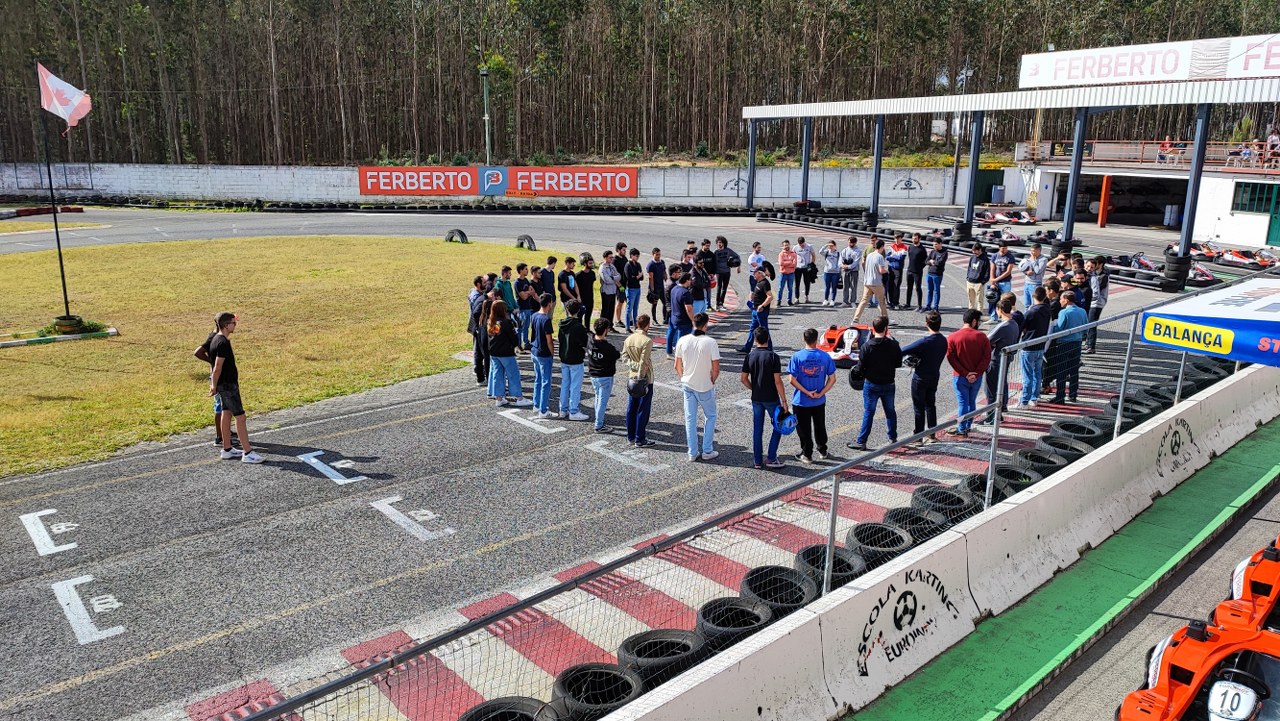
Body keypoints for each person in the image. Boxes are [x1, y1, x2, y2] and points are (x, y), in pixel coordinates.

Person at [207, 312, 263, 464]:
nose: (235, 325)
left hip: (223, 385)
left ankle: (227, 449)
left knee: (226, 414)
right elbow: (217, 367)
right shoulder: (223, 342)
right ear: (226, 325)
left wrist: (215, 384)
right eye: (233, 323)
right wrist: (213, 385)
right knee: (240, 417)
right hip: (228, 385)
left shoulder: (214, 339)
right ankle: (248, 452)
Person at [848, 316, 901, 450]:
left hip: (871, 384)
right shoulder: (894, 344)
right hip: (888, 383)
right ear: (885, 329)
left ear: (873, 329)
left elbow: (860, 367)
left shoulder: (866, 346)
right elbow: (898, 363)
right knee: (890, 411)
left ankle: (862, 441)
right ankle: (893, 438)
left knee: (869, 412)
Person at [675, 312, 721, 461]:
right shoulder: (710, 342)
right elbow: (716, 369)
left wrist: (683, 378)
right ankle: (707, 450)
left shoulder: (683, 340)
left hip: (687, 384)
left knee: (690, 419)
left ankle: (692, 452)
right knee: (711, 416)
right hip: (704, 385)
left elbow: (677, 365)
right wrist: (712, 380)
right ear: (706, 325)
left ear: (693, 323)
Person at [741, 327, 788, 469]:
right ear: (768, 339)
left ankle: (757, 460)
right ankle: (771, 457)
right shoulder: (773, 357)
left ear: (755, 340)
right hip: (772, 398)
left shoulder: (749, 356)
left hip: (756, 398)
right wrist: (784, 401)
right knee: (778, 426)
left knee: (757, 429)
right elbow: (777, 381)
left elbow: (743, 379)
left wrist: (753, 388)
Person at [788, 327, 837, 462]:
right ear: (817, 340)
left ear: (804, 339)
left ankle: (807, 454)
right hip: (819, 400)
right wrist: (821, 392)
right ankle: (822, 450)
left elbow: (792, 380)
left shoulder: (797, 357)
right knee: (820, 425)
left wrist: (806, 392)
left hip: (801, 400)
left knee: (803, 428)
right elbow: (832, 379)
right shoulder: (825, 356)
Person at [901, 310, 947, 443]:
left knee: (918, 407)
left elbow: (903, 350)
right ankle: (932, 432)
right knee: (931, 404)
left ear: (927, 324)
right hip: (934, 376)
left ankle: (918, 435)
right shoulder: (943, 340)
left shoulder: (924, 341)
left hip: (920, 378)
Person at [945, 309, 992, 437]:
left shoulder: (953, 337)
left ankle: (961, 428)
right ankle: (968, 426)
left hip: (960, 376)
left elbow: (951, 358)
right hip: (977, 377)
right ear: (974, 321)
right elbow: (987, 357)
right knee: (971, 402)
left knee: (962, 403)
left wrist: (965, 373)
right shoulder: (982, 337)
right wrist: (976, 373)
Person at [978, 293, 1020, 424]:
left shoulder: (1003, 326)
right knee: (1001, 387)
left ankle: (991, 417)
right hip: (1007, 359)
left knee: (990, 390)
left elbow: (987, 340)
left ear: (1000, 310)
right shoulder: (1014, 324)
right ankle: (999, 412)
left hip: (995, 361)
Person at [195, 324, 235, 447]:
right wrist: (212, 362)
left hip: (222, 377)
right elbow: (198, 352)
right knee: (220, 407)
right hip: (218, 378)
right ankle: (220, 437)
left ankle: (225, 431)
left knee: (225, 406)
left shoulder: (216, 337)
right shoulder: (214, 338)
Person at [487, 301, 533, 408]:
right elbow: (514, 340)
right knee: (513, 375)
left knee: (497, 375)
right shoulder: (507, 323)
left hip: (494, 353)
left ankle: (499, 398)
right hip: (506, 353)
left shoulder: (491, 322)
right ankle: (519, 398)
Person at [1049, 290, 1088, 404]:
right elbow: (1086, 326)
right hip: (1077, 343)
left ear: (1066, 300)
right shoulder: (1082, 311)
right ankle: (1073, 394)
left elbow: (1060, 328)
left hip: (1064, 343)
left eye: (1061, 298)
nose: (1060, 301)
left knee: (1061, 370)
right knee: (1074, 370)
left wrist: (1052, 327)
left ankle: (1060, 396)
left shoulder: (1063, 313)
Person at [623, 314, 656, 447]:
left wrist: (634, 366)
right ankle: (640, 438)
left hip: (631, 377)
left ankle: (630, 436)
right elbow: (643, 363)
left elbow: (624, 358)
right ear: (647, 325)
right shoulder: (647, 341)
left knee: (632, 407)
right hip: (644, 379)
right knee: (643, 409)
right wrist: (642, 376)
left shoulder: (629, 339)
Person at [556, 300, 591, 421]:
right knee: (575, 386)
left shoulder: (561, 324)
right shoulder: (578, 327)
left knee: (565, 384)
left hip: (564, 358)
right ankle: (574, 410)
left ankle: (563, 409)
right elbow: (585, 343)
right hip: (576, 359)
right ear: (578, 311)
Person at [1017, 286, 1051, 408]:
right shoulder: (1047, 310)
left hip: (1029, 347)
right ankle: (1034, 397)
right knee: (1037, 374)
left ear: (1033, 296)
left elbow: (1021, 327)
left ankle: (1024, 400)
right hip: (1041, 346)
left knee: (1027, 375)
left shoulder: (1031, 312)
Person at [586, 318, 621, 433]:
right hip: (605, 376)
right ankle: (599, 424)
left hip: (593, 375)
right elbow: (616, 355)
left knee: (597, 397)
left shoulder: (590, 341)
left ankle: (598, 419)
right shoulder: (607, 347)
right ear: (606, 330)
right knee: (602, 401)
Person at [529, 293, 557, 417]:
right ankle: (543, 410)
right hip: (544, 353)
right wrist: (553, 353)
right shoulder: (546, 320)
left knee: (538, 379)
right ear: (549, 303)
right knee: (546, 382)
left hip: (534, 351)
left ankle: (536, 404)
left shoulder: (534, 316)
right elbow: (549, 340)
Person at [851, 239, 889, 324]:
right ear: (882, 247)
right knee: (881, 301)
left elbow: (864, 264)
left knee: (864, 301)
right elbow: (881, 270)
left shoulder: (870, 255)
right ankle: (885, 319)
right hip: (876, 282)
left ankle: (855, 319)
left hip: (867, 281)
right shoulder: (880, 257)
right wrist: (887, 271)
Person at [739, 267, 774, 353]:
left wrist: (762, 305)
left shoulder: (765, 283)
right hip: (755, 311)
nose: (753, 274)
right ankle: (747, 348)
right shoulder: (758, 283)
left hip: (761, 311)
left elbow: (770, 296)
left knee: (764, 330)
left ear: (760, 273)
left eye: (755, 273)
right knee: (752, 329)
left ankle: (769, 349)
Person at [1083, 255, 1109, 353]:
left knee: (1092, 324)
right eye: (1088, 266)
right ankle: (1087, 342)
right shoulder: (1088, 275)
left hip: (1096, 303)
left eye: (1093, 266)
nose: (1089, 268)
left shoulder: (1101, 276)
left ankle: (1091, 346)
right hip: (1090, 303)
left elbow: (1096, 291)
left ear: (1099, 265)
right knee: (1087, 323)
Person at [467, 276, 489, 386]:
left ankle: (480, 372)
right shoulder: (477, 297)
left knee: (479, 351)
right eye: (484, 282)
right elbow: (476, 313)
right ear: (478, 284)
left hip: (478, 327)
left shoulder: (476, 293)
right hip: (478, 328)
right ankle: (479, 373)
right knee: (478, 352)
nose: (486, 283)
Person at [668, 271, 695, 358]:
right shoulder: (685, 293)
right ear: (686, 281)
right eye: (690, 280)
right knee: (683, 339)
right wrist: (693, 320)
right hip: (683, 320)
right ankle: (680, 356)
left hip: (673, 317)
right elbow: (689, 309)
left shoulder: (674, 289)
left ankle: (669, 351)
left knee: (671, 334)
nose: (691, 282)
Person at [989, 242, 1015, 322]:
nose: (1004, 250)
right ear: (999, 248)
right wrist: (992, 281)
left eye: (1006, 248)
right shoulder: (995, 256)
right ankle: (993, 317)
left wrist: (996, 279)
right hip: (996, 282)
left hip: (1005, 282)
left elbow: (1008, 271)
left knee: (1006, 301)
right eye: (1003, 248)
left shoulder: (1010, 257)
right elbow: (992, 269)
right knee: (993, 299)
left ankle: (1007, 317)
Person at [515, 263, 539, 352]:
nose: (527, 270)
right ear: (520, 271)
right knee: (520, 327)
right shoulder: (517, 282)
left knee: (526, 327)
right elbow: (523, 296)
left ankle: (526, 343)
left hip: (528, 307)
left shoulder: (526, 280)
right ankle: (518, 345)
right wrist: (529, 293)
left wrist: (528, 292)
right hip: (521, 308)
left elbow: (532, 291)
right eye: (525, 269)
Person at [713, 236, 740, 310]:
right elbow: (712, 263)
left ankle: (721, 303)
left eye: (721, 242)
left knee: (724, 288)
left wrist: (738, 266)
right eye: (718, 242)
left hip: (727, 272)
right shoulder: (716, 252)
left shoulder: (728, 251)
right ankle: (717, 304)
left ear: (724, 243)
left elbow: (737, 257)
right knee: (719, 288)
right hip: (719, 273)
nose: (719, 244)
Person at [904, 233, 927, 311]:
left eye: (915, 239)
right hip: (909, 271)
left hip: (917, 272)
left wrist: (920, 268)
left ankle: (919, 305)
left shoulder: (922, 249)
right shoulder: (910, 247)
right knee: (909, 287)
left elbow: (925, 261)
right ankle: (908, 304)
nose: (914, 240)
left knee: (918, 288)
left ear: (919, 239)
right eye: (913, 238)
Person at [598, 250, 620, 332]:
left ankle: (610, 326)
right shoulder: (602, 268)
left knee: (611, 310)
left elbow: (619, 276)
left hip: (613, 291)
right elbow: (607, 280)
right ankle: (602, 327)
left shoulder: (612, 266)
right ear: (605, 258)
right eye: (610, 257)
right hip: (606, 291)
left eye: (612, 257)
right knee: (605, 311)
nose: (612, 259)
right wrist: (614, 278)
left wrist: (613, 278)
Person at [623, 248, 644, 331]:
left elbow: (641, 276)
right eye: (636, 256)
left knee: (636, 308)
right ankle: (627, 326)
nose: (637, 257)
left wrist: (637, 277)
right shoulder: (628, 265)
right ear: (631, 256)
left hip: (637, 288)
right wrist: (637, 277)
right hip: (630, 289)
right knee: (629, 308)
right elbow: (629, 278)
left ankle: (636, 324)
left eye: (638, 256)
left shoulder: (638, 264)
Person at [965, 243, 990, 312]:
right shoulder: (972, 257)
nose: (974, 254)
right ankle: (971, 314)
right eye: (973, 252)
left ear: (980, 250)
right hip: (970, 282)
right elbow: (969, 268)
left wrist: (982, 282)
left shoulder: (985, 259)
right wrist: (968, 278)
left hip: (979, 283)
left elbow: (987, 272)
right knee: (971, 301)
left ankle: (979, 316)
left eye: (975, 252)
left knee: (979, 301)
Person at [925, 237, 948, 312]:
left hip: (937, 275)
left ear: (940, 244)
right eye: (933, 245)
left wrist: (932, 262)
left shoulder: (944, 253)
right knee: (929, 290)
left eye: (936, 245)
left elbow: (940, 263)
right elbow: (926, 261)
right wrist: (931, 262)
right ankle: (928, 305)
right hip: (929, 274)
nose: (934, 246)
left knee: (936, 291)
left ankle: (936, 307)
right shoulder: (932, 252)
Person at [646, 247, 668, 326]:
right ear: (653, 254)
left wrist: (667, 282)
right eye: (657, 255)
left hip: (662, 286)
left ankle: (665, 319)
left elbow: (664, 273)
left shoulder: (662, 262)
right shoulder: (651, 264)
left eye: (659, 254)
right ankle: (654, 320)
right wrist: (652, 290)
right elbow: (650, 277)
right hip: (655, 287)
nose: (658, 256)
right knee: (654, 303)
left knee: (665, 303)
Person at [885, 234, 907, 309]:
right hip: (891, 268)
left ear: (901, 239)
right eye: (895, 239)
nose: (896, 240)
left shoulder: (904, 247)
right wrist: (895, 257)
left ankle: (896, 302)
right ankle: (891, 301)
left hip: (898, 269)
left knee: (896, 286)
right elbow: (887, 257)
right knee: (890, 285)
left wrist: (892, 256)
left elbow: (901, 258)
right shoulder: (891, 246)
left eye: (898, 239)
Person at [839, 236, 860, 307]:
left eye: (852, 243)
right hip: (845, 271)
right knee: (845, 286)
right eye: (849, 242)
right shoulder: (844, 250)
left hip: (854, 271)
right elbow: (840, 260)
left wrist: (848, 266)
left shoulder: (858, 251)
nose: (850, 244)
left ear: (855, 243)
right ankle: (845, 301)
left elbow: (856, 262)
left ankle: (853, 301)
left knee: (854, 286)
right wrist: (842, 265)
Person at [576, 253, 597, 325]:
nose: (591, 265)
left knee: (588, 314)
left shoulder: (592, 273)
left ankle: (587, 329)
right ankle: (580, 329)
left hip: (590, 297)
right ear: (585, 264)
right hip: (581, 298)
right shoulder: (578, 275)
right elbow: (576, 287)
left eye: (592, 263)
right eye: (590, 263)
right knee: (580, 315)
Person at [612, 242, 629, 328]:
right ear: (618, 250)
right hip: (619, 286)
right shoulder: (615, 260)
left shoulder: (625, 258)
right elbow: (614, 275)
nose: (625, 251)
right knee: (620, 302)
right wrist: (619, 286)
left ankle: (629, 319)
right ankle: (618, 320)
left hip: (625, 285)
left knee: (628, 302)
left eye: (625, 250)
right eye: (623, 250)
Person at [819, 240, 841, 306]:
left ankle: (832, 300)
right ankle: (826, 299)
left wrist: (839, 271)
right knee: (827, 286)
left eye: (832, 246)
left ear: (835, 246)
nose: (830, 247)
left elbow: (840, 262)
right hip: (827, 272)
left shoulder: (838, 254)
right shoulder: (826, 252)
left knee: (834, 287)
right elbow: (820, 252)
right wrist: (825, 245)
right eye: (829, 246)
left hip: (835, 272)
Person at [794, 236, 815, 303]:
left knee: (807, 282)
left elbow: (813, 255)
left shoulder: (809, 246)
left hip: (807, 267)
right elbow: (792, 256)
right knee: (797, 283)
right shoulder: (795, 247)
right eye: (800, 245)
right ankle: (796, 298)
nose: (802, 246)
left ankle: (806, 296)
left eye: (803, 244)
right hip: (798, 267)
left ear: (804, 242)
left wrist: (812, 263)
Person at [777, 239, 798, 306]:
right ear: (783, 246)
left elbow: (794, 264)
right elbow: (781, 263)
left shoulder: (793, 254)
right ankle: (779, 301)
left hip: (791, 274)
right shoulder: (781, 254)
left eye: (787, 245)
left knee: (790, 288)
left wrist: (786, 263)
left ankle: (789, 300)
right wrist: (790, 262)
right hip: (783, 273)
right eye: (785, 245)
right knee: (780, 288)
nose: (786, 246)